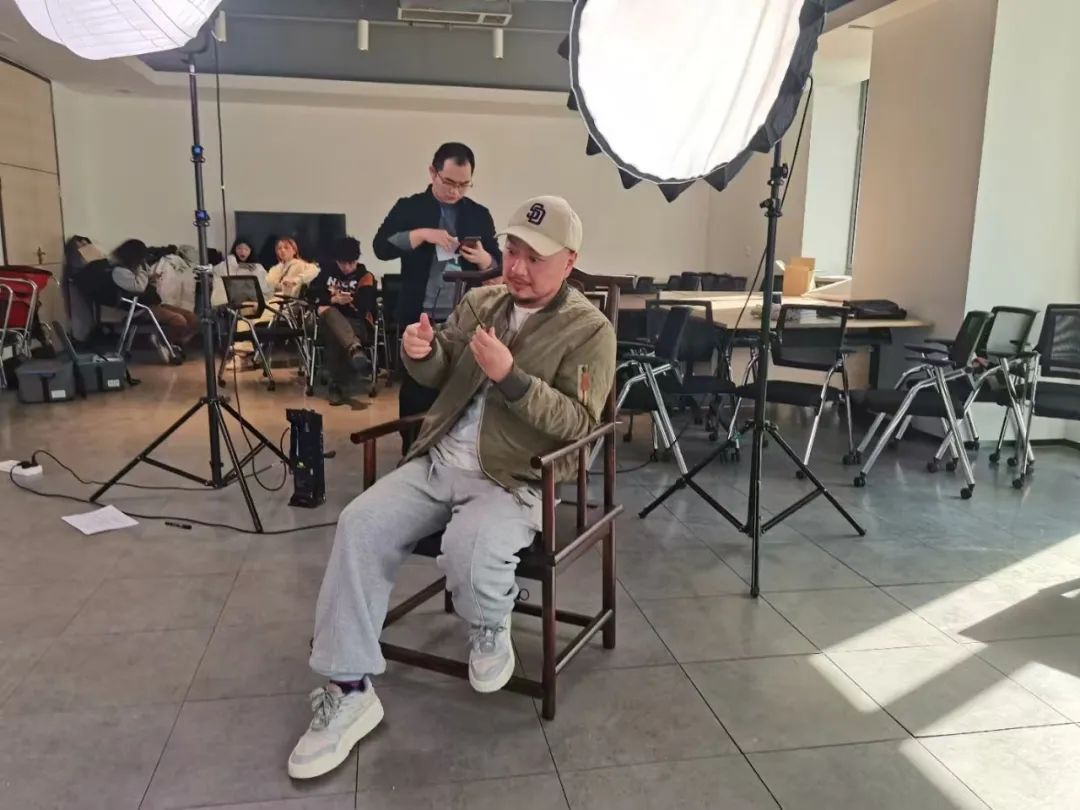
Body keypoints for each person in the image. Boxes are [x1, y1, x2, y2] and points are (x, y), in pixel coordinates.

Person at [288, 196, 616, 780]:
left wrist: (511, 378)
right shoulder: (482, 301)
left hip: (514, 477)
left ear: (569, 261)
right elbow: (440, 371)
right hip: (438, 461)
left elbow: (578, 424)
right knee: (359, 524)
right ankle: (349, 687)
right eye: (512, 251)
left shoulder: (589, 330)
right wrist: (421, 351)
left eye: (534, 258)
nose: (516, 268)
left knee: (470, 546)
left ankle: (489, 620)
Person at [372, 142, 501, 424]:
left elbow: (498, 267)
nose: (455, 191)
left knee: (461, 388)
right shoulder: (410, 207)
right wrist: (422, 234)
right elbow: (381, 247)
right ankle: (413, 443)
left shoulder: (478, 214)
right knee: (417, 388)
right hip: (420, 313)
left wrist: (483, 258)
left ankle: (452, 445)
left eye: (464, 185)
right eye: (449, 182)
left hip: (466, 316)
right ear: (433, 173)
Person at [310, 236, 376, 406]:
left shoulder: (365, 276)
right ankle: (354, 349)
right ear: (336, 261)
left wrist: (349, 301)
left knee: (335, 334)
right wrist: (333, 300)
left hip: (356, 324)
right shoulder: (325, 274)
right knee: (329, 312)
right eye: (342, 263)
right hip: (329, 323)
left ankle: (336, 387)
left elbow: (366, 305)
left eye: (351, 263)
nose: (346, 267)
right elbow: (311, 295)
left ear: (357, 260)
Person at [110, 239, 199, 349]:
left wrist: (150, 278)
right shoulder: (119, 271)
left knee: (192, 318)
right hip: (140, 309)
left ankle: (175, 343)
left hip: (153, 304)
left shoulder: (133, 269)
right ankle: (165, 344)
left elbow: (141, 282)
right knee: (178, 319)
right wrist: (142, 269)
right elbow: (139, 287)